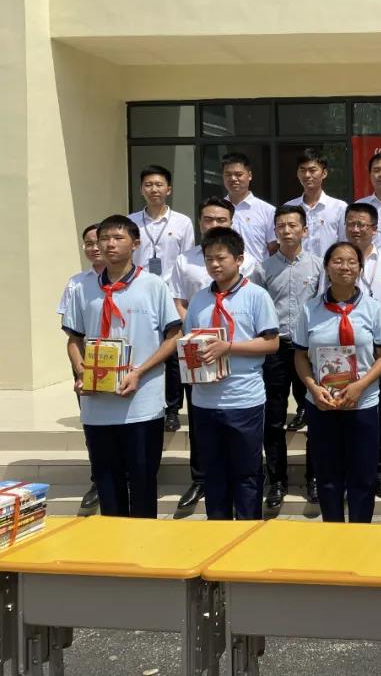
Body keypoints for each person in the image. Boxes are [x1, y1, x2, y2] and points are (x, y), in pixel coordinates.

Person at [61, 215, 182, 518]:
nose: (109, 244)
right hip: (98, 403)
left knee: (142, 480)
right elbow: (74, 339)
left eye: (118, 238)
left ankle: (143, 543)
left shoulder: (153, 285)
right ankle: (112, 543)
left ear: (135, 243)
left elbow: (173, 336)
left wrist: (139, 372)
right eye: (104, 238)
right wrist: (82, 372)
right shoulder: (82, 287)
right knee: (107, 481)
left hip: (141, 402)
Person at [294, 242, 381, 522]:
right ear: (327, 267)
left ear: (360, 268)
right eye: (337, 261)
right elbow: (300, 356)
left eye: (351, 261)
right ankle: (334, 531)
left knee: (362, 477)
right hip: (322, 404)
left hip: (362, 403)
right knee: (328, 476)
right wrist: (313, 388)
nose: (345, 267)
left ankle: (359, 533)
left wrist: (361, 385)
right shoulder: (310, 309)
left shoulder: (373, 309)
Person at [183, 227, 279, 520]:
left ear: (239, 259)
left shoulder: (256, 296)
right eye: (209, 259)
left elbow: (271, 343)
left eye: (221, 258)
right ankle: (218, 532)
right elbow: (189, 343)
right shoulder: (199, 299)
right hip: (204, 400)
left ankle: (247, 532)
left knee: (246, 474)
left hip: (243, 399)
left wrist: (229, 347)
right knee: (214, 474)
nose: (214, 264)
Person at [169, 196, 257, 509]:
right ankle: (201, 482)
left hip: (239, 370)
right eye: (208, 219)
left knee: (242, 454)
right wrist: (196, 335)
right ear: (199, 222)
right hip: (199, 358)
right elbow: (179, 301)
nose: (213, 224)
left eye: (221, 220)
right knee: (202, 429)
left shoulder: (249, 266)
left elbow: (253, 316)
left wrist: (225, 343)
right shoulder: (185, 261)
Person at [251, 205, 323, 509]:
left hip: (309, 348)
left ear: (305, 230)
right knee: (274, 418)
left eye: (293, 225)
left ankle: (314, 477)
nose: (286, 230)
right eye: (281, 226)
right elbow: (255, 309)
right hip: (276, 348)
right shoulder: (263, 269)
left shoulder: (319, 266)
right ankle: (277, 480)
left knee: (316, 414)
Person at [129, 165, 195, 440]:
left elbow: (187, 261)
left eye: (158, 184)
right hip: (141, 294)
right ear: (141, 189)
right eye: (148, 185)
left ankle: (172, 408)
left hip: (172, 295)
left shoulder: (182, 222)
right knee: (145, 347)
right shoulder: (131, 222)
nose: (153, 189)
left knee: (174, 352)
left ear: (169, 189)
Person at [344, 201, 381, 501]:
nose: (356, 230)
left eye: (361, 224)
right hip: (343, 350)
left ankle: (380, 472)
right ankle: (348, 471)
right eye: (351, 224)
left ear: (374, 229)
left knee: (380, 413)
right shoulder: (337, 260)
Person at [57, 223, 107, 512]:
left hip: (125, 360)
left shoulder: (140, 280)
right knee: (92, 423)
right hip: (88, 359)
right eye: (88, 243)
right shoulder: (76, 283)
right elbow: (72, 331)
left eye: (99, 241)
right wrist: (81, 369)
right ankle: (98, 479)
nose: (95, 247)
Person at [284, 148, 348, 263]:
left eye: (312, 170)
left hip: (328, 270)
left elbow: (345, 243)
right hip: (296, 268)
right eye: (302, 170)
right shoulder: (289, 208)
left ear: (324, 173)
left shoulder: (339, 207)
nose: (307, 175)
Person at [220, 152, 277, 263]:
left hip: (257, 272)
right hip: (223, 271)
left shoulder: (268, 211)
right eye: (228, 174)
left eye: (238, 174)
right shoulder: (217, 210)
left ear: (249, 175)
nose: (233, 178)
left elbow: (274, 248)